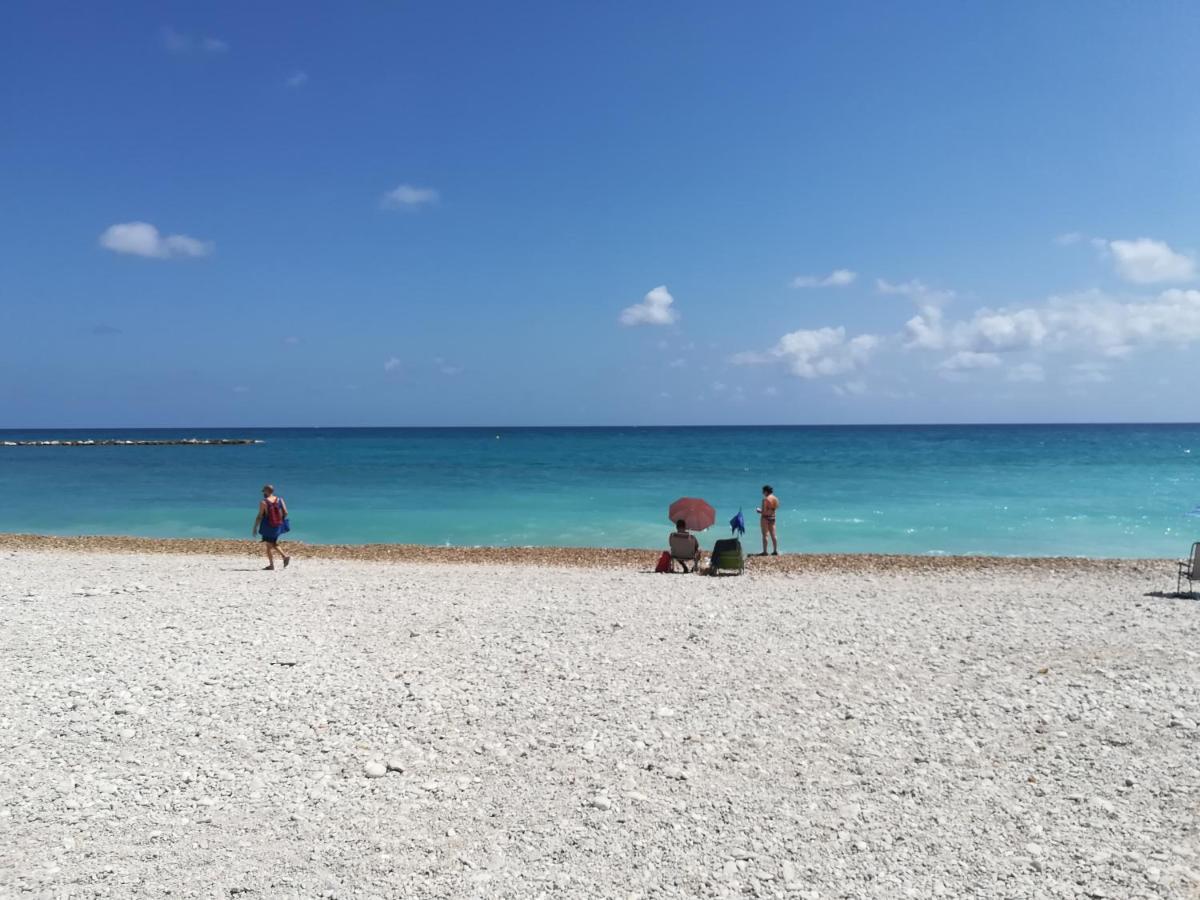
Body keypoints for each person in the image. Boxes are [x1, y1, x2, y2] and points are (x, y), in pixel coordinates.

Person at [253, 484, 291, 570]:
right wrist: (279, 520)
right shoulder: (280, 499)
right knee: (271, 544)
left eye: (264, 491)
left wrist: (255, 527)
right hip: (278, 526)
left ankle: (283, 558)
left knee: (270, 545)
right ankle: (274, 563)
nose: (263, 493)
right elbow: (286, 512)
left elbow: (260, 516)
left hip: (268, 527)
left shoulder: (263, 502)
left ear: (267, 491)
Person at [756, 484, 779, 556]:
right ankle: (775, 551)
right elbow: (776, 508)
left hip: (765, 518)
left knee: (765, 535)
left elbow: (764, 511)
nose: (762, 493)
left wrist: (759, 511)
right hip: (773, 517)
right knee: (773, 534)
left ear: (766, 491)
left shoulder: (765, 499)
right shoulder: (776, 499)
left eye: (763, 491)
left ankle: (765, 552)